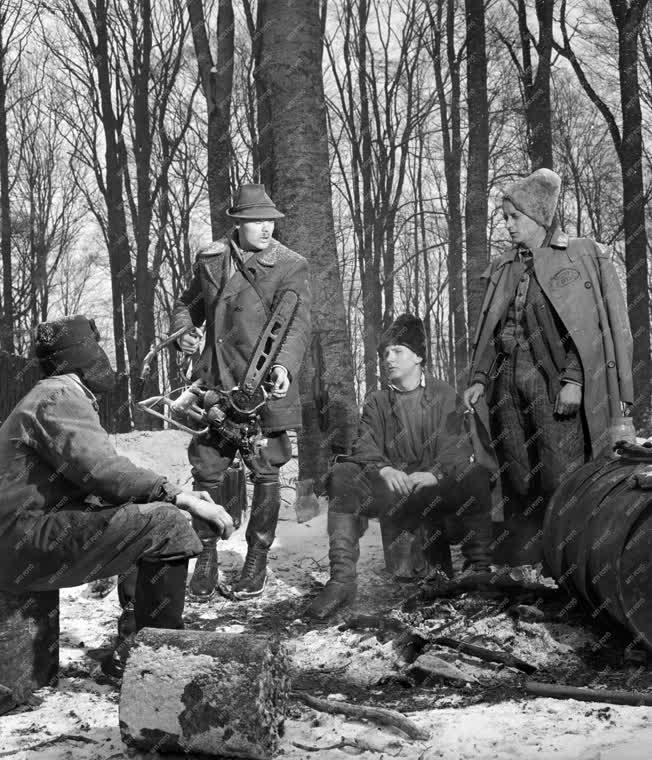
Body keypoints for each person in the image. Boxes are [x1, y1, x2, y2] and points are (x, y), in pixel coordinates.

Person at [0, 315, 234, 677]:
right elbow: (106, 474)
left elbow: (97, 481)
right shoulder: (58, 396)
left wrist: (155, 494)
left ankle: (131, 647)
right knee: (167, 524)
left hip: (20, 536)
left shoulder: (49, 395)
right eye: (98, 351)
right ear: (82, 356)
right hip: (23, 538)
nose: (105, 362)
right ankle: (159, 663)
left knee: (142, 513)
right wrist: (180, 497)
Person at [464, 168, 633, 566]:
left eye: (513, 218)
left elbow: (588, 329)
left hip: (551, 382)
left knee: (561, 474)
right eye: (503, 218)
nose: (506, 226)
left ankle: (570, 564)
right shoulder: (506, 268)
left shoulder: (576, 257)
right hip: (506, 382)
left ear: (537, 218)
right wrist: (479, 378)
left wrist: (574, 379)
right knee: (518, 473)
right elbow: (494, 330)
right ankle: (529, 560)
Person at [171, 184, 311, 601]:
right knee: (208, 470)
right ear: (238, 223)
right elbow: (186, 305)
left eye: (270, 220)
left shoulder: (290, 265)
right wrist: (184, 335)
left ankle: (257, 559)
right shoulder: (211, 259)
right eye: (256, 221)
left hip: (266, 385)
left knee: (266, 469)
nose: (266, 228)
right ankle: (207, 554)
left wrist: (284, 365)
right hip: (216, 385)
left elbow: (298, 325)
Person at [306, 314, 493, 620]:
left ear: (419, 356)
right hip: (391, 493)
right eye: (385, 354)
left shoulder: (444, 394)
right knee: (342, 475)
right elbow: (363, 446)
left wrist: (434, 473)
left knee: (475, 475)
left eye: (398, 351)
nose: (388, 359)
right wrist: (384, 470)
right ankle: (341, 579)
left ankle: (478, 573)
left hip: (435, 491)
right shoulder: (377, 401)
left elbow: (456, 447)